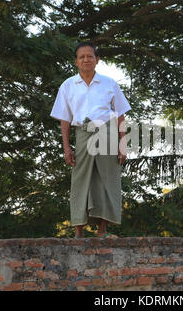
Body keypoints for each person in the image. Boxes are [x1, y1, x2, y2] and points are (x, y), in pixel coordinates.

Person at [50, 41, 131, 239]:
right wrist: (66, 147)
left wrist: (123, 144)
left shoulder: (109, 83)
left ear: (97, 60)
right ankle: (78, 231)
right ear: (76, 61)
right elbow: (65, 118)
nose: (86, 59)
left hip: (107, 133)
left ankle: (102, 231)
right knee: (80, 180)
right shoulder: (68, 85)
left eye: (90, 56)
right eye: (82, 57)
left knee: (107, 180)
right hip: (83, 134)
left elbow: (120, 115)